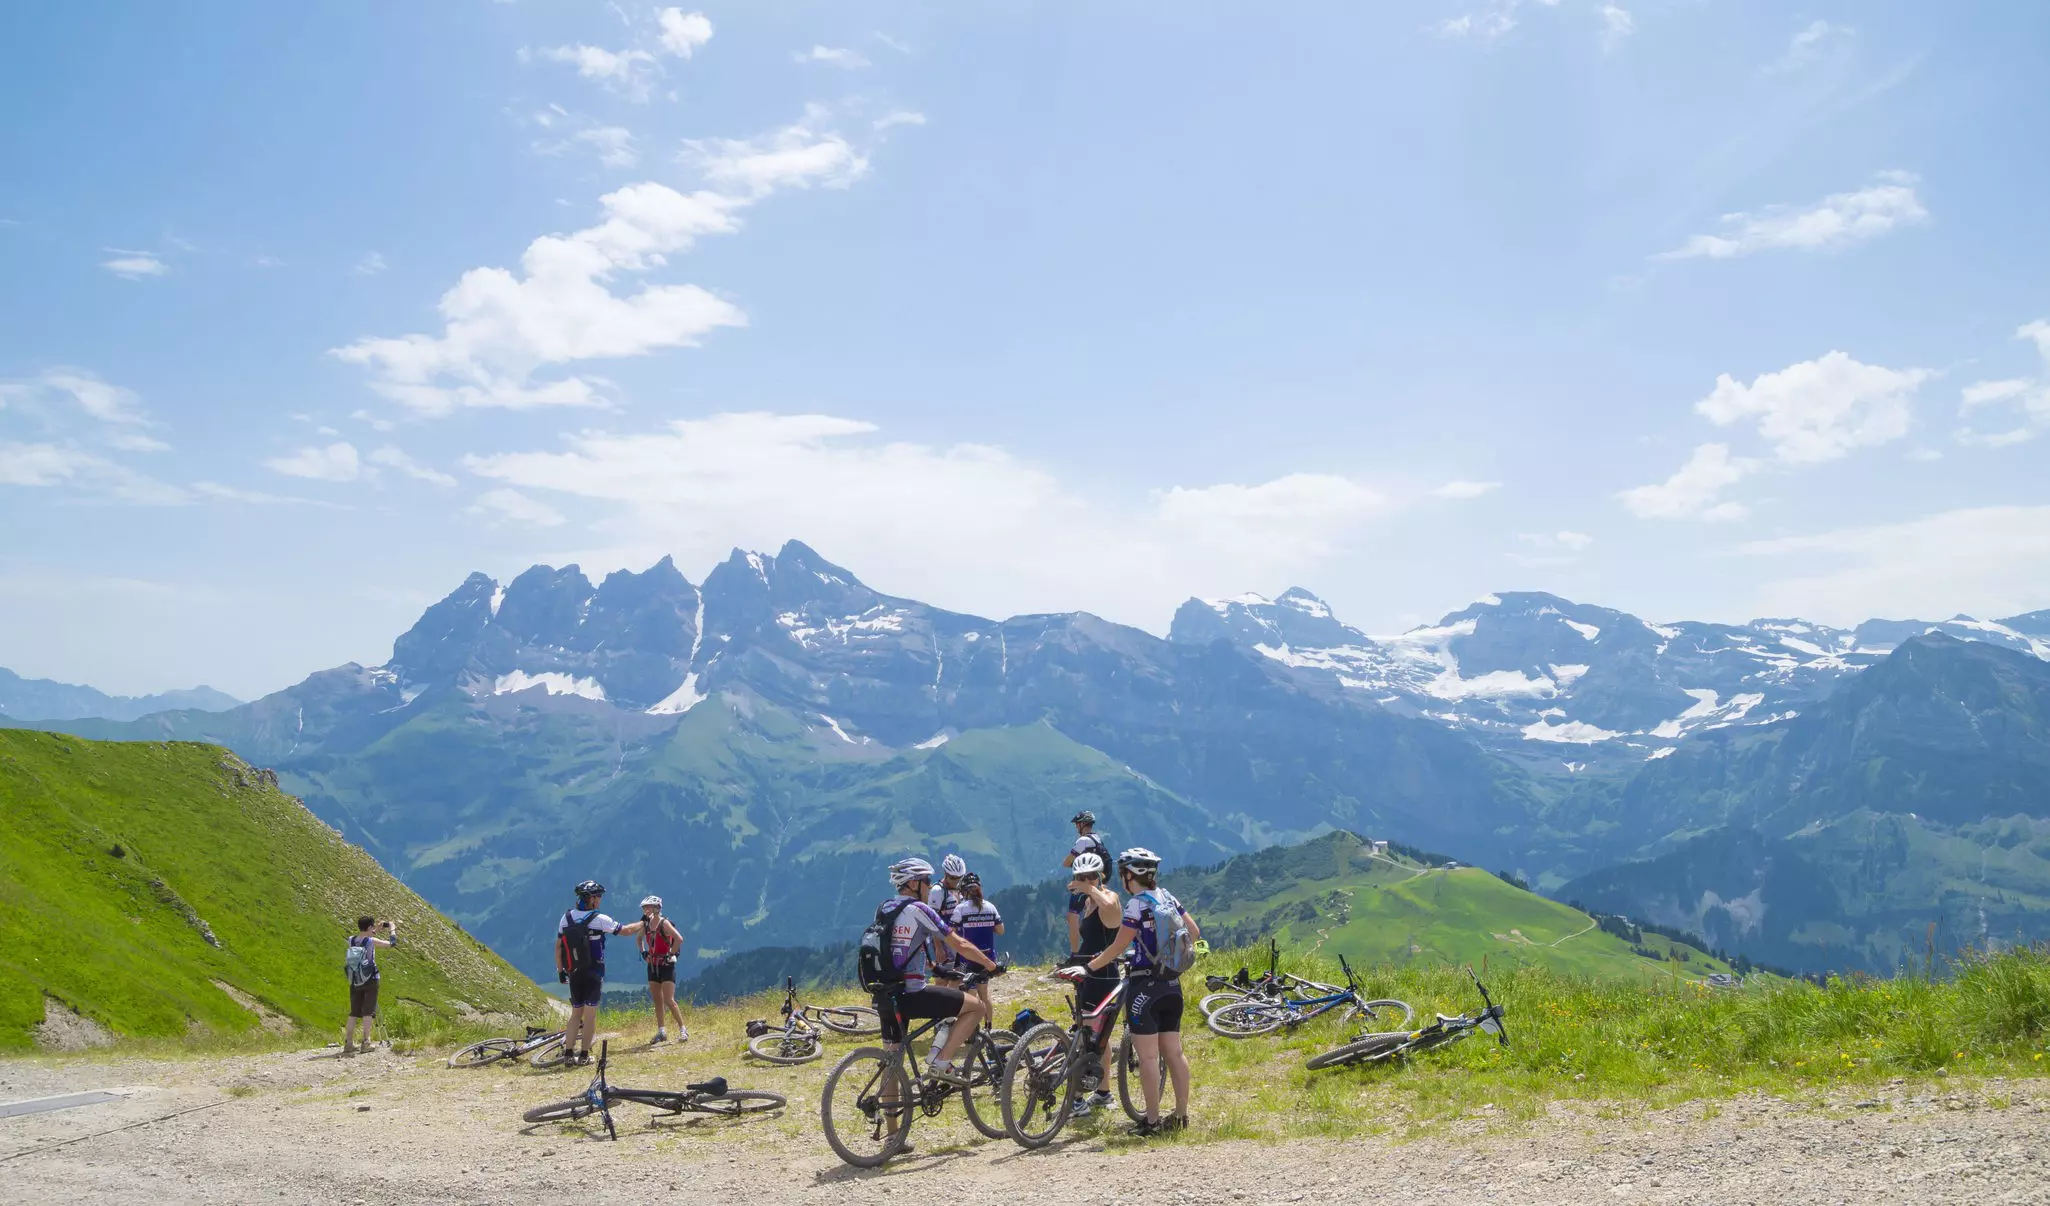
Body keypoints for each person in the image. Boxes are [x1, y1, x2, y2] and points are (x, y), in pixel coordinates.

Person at [1077, 847, 1200, 1135]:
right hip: (1172, 985)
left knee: (1147, 1057)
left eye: (1123, 873)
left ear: (1129, 875)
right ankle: (1181, 1114)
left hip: (1145, 987)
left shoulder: (1136, 904)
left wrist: (1089, 968)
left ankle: (1152, 1121)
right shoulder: (1169, 898)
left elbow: (1118, 946)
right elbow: (1193, 932)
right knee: (1175, 1053)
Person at [875, 857, 1002, 1085]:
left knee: (892, 1067)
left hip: (885, 994)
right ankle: (942, 1062)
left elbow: (898, 951)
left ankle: (888, 1115)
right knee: (976, 1007)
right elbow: (959, 944)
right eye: (926, 880)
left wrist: (938, 969)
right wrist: (991, 965)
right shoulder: (919, 909)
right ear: (914, 884)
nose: (930, 885)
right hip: (912, 994)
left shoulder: (884, 908)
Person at [555, 880, 649, 1065]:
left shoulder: (566, 918)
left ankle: (567, 1055)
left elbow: (558, 948)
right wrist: (643, 922)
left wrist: (561, 971)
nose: (600, 900)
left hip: (574, 972)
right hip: (594, 970)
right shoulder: (599, 919)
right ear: (591, 899)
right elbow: (625, 931)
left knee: (575, 1014)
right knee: (589, 1015)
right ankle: (583, 1056)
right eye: (598, 896)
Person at [1062, 852, 1123, 1118]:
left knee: (1093, 1038)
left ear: (1101, 877)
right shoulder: (1086, 903)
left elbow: (1113, 919)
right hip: (1087, 972)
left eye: (1091, 876)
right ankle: (1103, 1092)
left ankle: (1077, 1098)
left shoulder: (1109, 897)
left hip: (1105, 975)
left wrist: (1091, 889)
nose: (1084, 881)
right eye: (1080, 877)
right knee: (1095, 1037)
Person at [949, 873, 1003, 1017]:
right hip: (988, 957)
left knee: (970, 994)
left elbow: (951, 932)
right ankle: (989, 1029)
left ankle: (972, 1031)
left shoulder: (961, 909)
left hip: (967, 959)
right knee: (984, 995)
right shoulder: (990, 907)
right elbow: (1000, 930)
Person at [342, 916, 397, 1056]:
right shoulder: (371, 941)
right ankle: (366, 1042)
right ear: (368, 927)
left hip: (355, 979)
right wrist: (392, 929)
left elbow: (364, 939)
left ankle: (348, 1043)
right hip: (370, 979)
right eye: (372, 927)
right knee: (368, 1012)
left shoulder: (351, 940)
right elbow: (392, 944)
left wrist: (376, 929)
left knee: (354, 1012)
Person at [636, 895, 687, 1044]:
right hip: (652, 964)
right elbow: (638, 939)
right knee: (658, 999)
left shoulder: (664, 924)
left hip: (666, 965)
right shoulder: (645, 925)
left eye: (648, 907)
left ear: (656, 908)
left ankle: (683, 1030)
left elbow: (679, 939)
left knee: (669, 1000)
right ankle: (661, 1031)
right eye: (644, 907)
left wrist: (670, 954)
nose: (645, 910)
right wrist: (643, 952)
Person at [1063, 811, 1111, 954]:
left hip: (1085, 882)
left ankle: (1076, 954)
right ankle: (1101, 949)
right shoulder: (1097, 839)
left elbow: (1067, 862)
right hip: (1099, 881)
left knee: (1072, 916)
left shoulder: (1082, 841)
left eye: (1077, 824)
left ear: (1082, 824)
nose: (1076, 827)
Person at [928, 854, 969, 919]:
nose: (956, 881)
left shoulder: (962, 888)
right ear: (945, 873)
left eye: (960, 877)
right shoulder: (937, 890)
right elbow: (931, 919)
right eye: (953, 878)